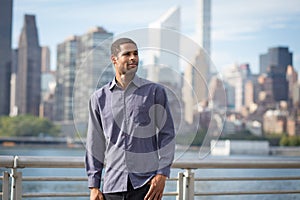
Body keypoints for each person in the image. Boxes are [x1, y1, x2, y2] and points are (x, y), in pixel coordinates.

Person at [85, 37, 175, 200]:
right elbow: (94, 143)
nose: (133, 58)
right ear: (114, 59)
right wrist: (94, 186)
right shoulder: (99, 98)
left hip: (147, 187)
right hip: (112, 187)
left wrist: (162, 174)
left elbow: (167, 134)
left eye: (136, 53)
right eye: (127, 54)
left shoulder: (155, 92)